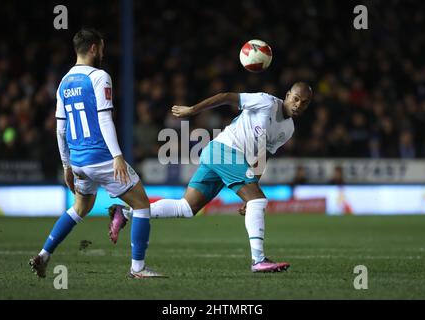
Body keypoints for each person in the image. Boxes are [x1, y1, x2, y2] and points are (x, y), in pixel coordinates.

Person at [109, 82, 312, 273]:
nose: (298, 104)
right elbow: (226, 97)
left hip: (221, 155)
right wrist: (192, 110)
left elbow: (263, 155)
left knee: (187, 208)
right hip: (225, 150)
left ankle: (125, 213)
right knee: (257, 200)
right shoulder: (266, 102)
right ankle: (258, 260)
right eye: (295, 98)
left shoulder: (288, 129)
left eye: (304, 102)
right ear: (287, 95)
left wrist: (252, 187)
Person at [29, 28, 164, 279]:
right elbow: (104, 120)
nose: (102, 52)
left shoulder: (64, 82)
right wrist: (117, 155)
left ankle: (44, 255)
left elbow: (61, 129)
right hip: (100, 157)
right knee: (142, 204)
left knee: (81, 206)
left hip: (78, 160)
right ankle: (138, 268)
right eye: (101, 47)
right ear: (93, 48)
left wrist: (67, 166)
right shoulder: (100, 77)